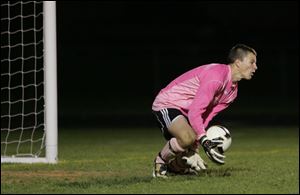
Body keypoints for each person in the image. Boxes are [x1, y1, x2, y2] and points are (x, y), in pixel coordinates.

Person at [152, 44, 257, 178]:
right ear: (237, 62)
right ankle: (160, 163)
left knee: (190, 146)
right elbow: (195, 111)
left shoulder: (232, 92)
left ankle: (176, 168)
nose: (255, 67)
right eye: (252, 62)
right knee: (186, 138)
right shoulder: (216, 76)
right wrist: (204, 140)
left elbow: (207, 116)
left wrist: (195, 147)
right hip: (168, 103)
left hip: (187, 111)